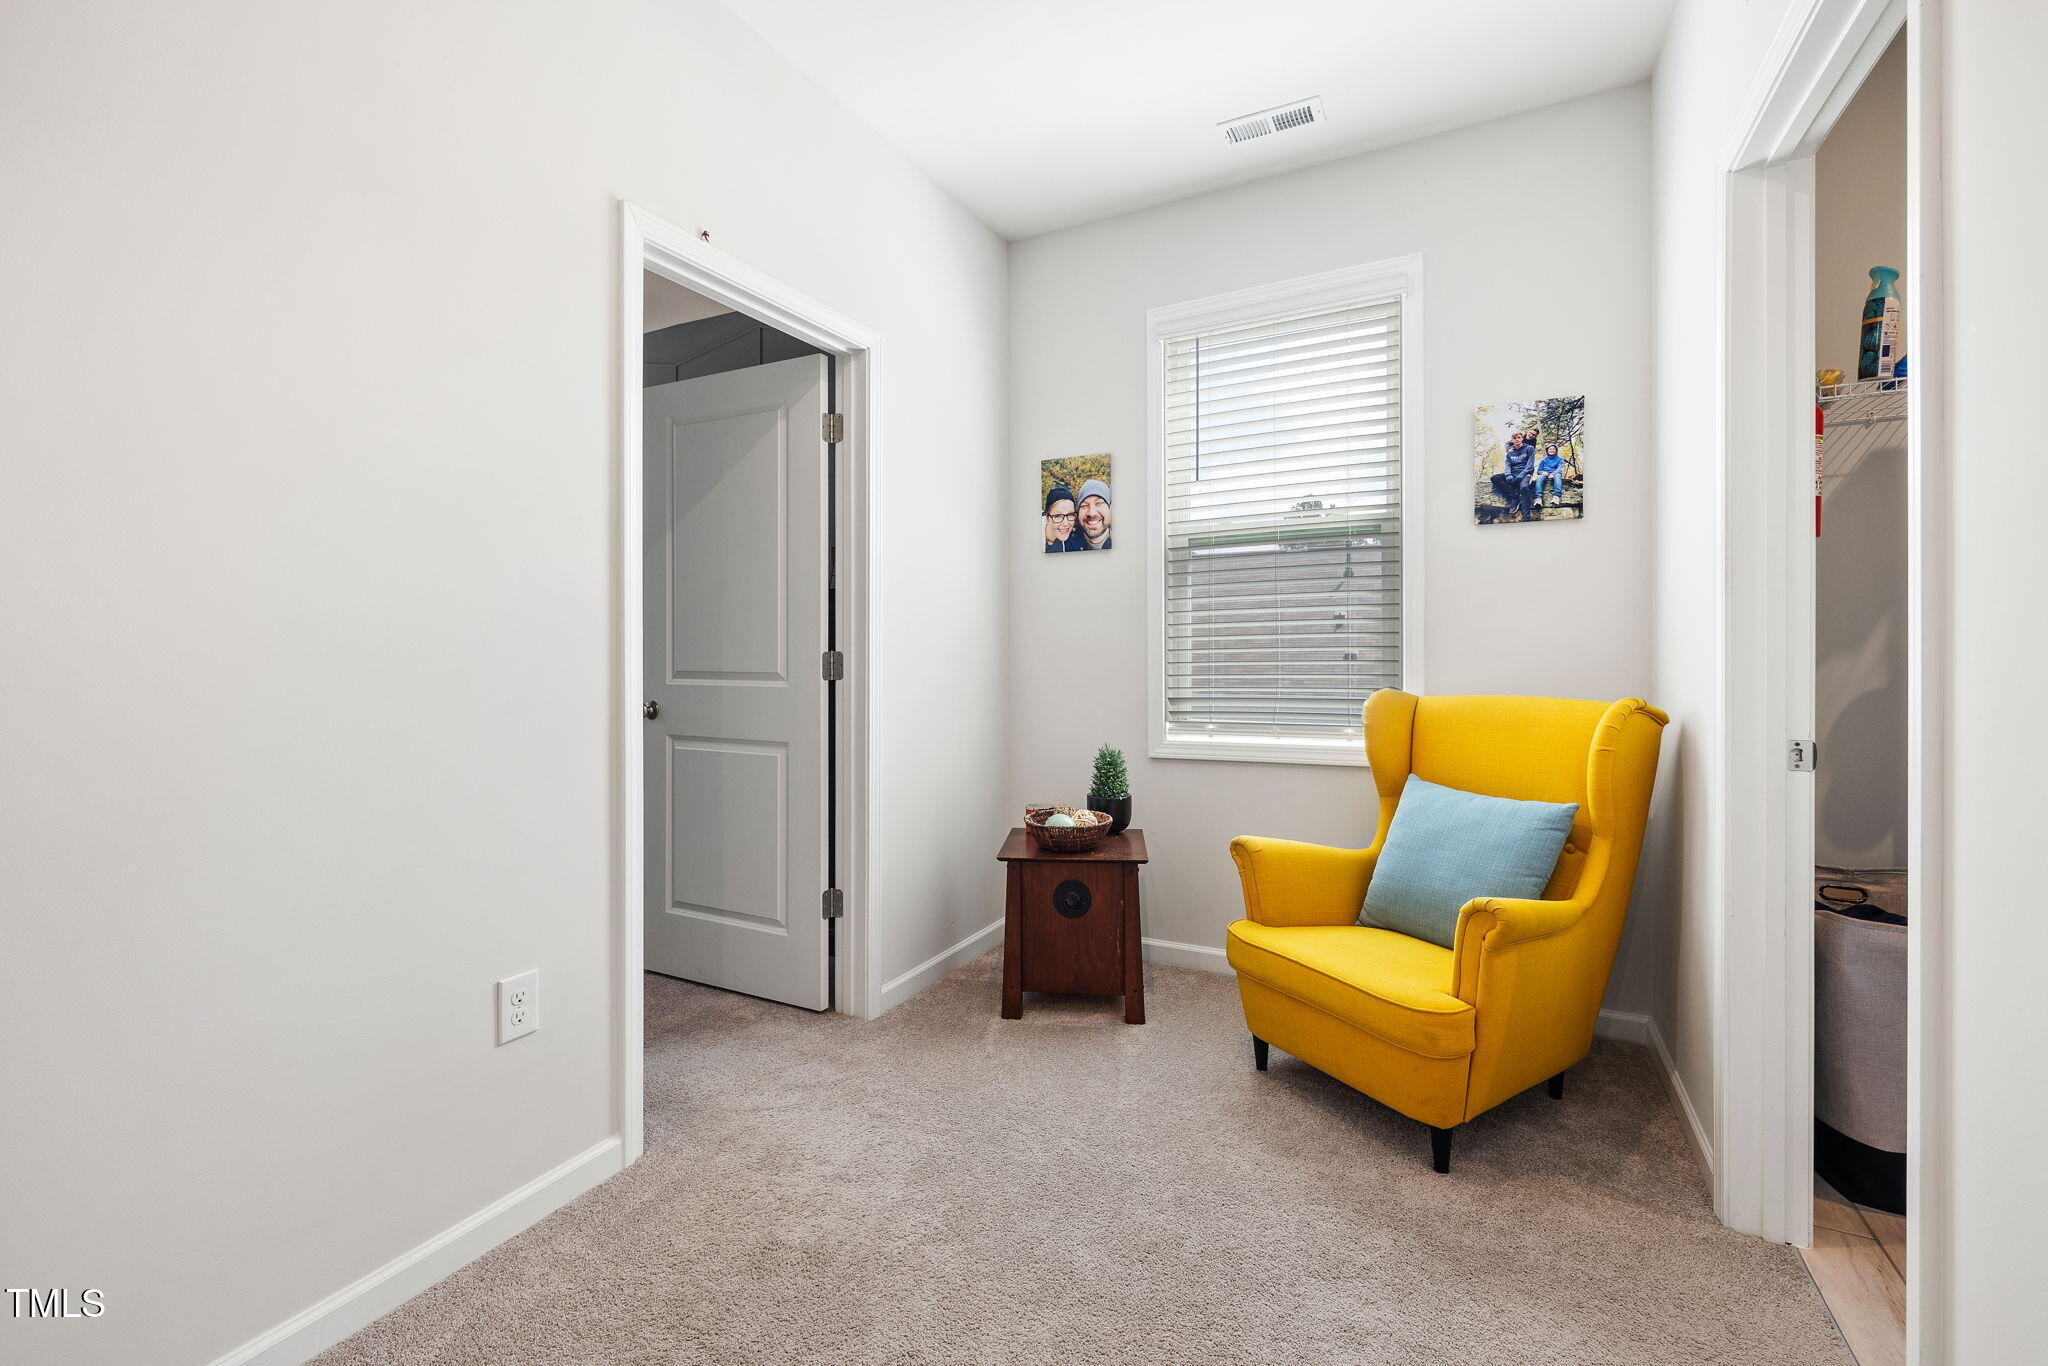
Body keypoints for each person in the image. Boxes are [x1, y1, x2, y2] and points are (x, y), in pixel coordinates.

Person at [1043, 484, 1084, 552]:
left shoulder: (1069, 541)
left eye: (1070, 514)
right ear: (1047, 517)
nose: (1066, 524)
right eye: (1058, 516)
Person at [1075, 477, 1112, 550]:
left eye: (1099, 503)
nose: (1092, 513)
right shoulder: (1065, 545)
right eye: (1084, 506)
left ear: (1109, 508)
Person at [1536, 443, 1567, 508]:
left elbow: (1559, 468)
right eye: (1550, 449)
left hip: (1555, 473)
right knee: (1539, 478)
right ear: (1547, 450)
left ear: (1556, 450)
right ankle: (1538, 498)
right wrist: (1542, 472)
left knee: (1558, 476)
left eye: (1553, 449)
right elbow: (1538, 471)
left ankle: (1556, 496)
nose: (1552, 450)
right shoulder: (1543, 460)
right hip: (1545, 473)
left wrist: (1553, 473)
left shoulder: (1560, 459)